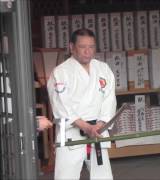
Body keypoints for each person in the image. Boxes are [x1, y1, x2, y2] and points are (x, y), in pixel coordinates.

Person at [47, 28, 116, 180]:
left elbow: (109, 100)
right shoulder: (61, 72)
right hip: (72, 132)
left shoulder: (103, 69)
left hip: (97, 131)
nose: (87, 51)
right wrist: (86, 127)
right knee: (66, 177)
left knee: (102, 176)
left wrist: (101, 123)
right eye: (83, 47)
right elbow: (62, 107)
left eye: (91, 47)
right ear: (72, 47)